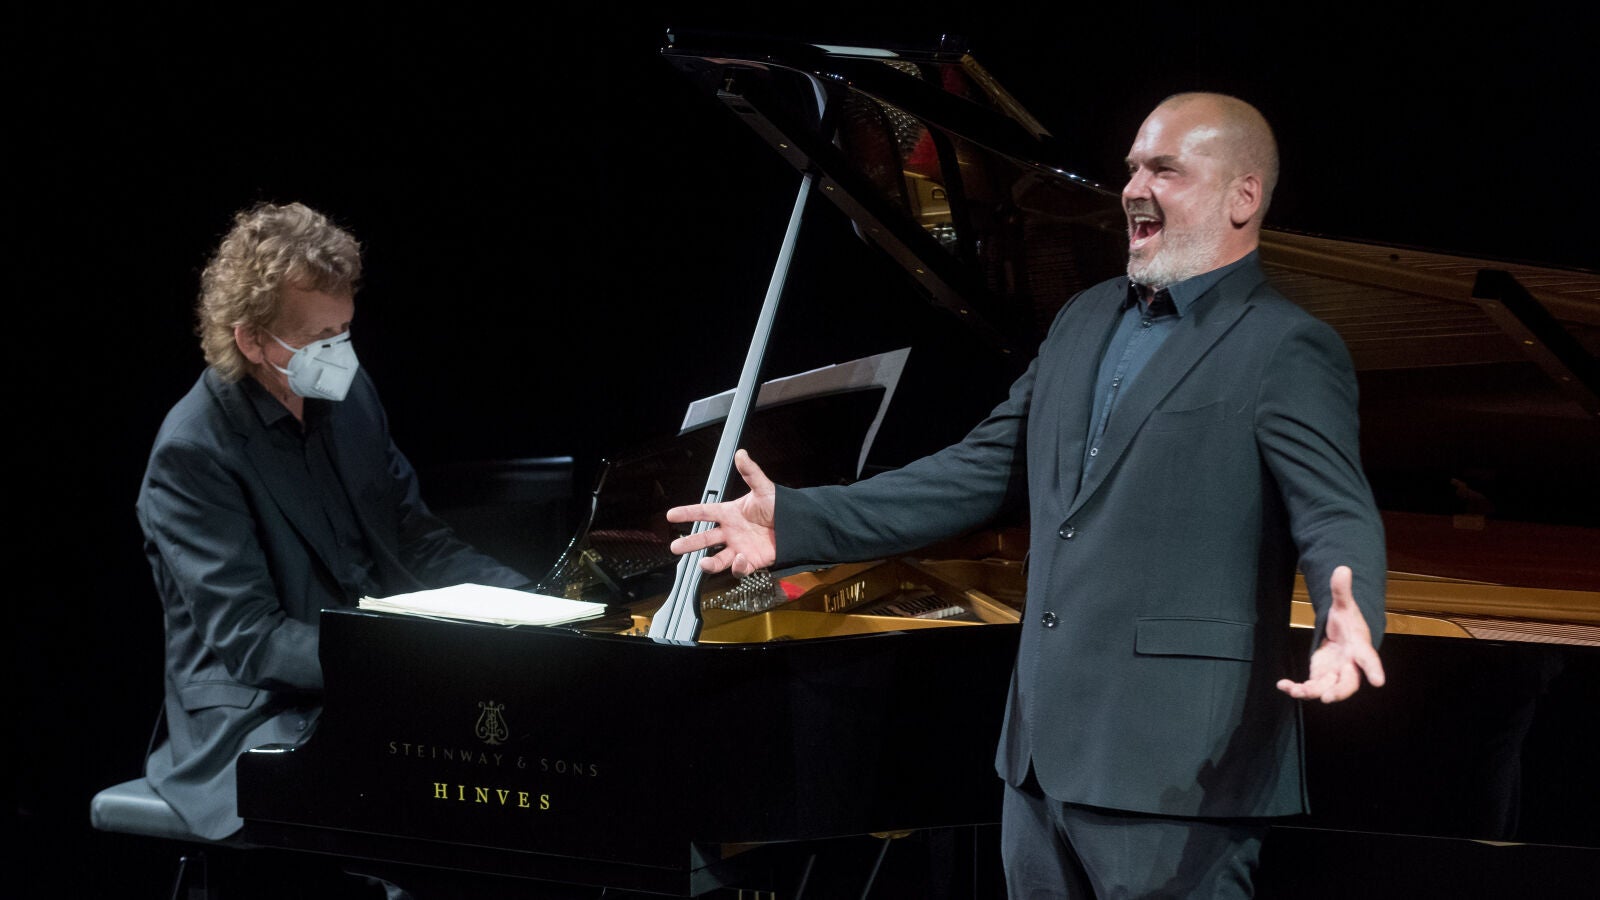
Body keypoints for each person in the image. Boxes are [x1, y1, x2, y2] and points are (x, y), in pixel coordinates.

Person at [666, 92, 1388, 897]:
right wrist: (798, 518)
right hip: (1040, 765)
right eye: (1132, 170)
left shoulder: (1287, 345)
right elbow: (978, 470)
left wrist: (1348, 614)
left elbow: (1335, 510)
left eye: (1165, 171)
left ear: (1243, 196)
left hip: (1179, 773)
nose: (1133, 189)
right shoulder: (1084, 319)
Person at [136, 201, 533, 845]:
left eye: (343, 329)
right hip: (262, 709)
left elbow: (417, 541)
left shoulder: (349, 396)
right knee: (422, 804)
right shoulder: (194, 452)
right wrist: (397, 661)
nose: (339, 351)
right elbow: (252, 639)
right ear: (252, 339)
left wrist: (534, 607)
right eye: (320, 337)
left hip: (369, 676)